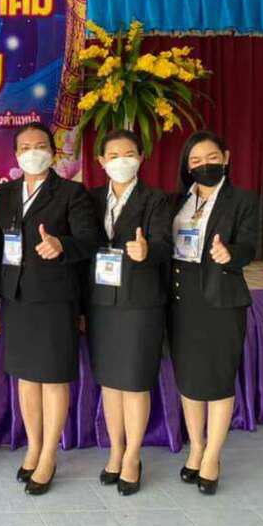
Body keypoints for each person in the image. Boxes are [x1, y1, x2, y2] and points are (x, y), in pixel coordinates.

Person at [0, 122, 98, 495]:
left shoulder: (71, 192)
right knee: (26, 378)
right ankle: (33, 446)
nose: (33, 152)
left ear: (53, 151)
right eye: (25, 147)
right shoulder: (5, 193)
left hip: (55, 300)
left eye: (40, 145)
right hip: (15, 299)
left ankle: (49, 455)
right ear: (16, 154)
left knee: (53, 378)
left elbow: (90, 240)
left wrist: (62, 245)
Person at [83, 129, 173, 496]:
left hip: (139, 303)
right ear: (101, 161)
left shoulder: (156, 200)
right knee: (110, 382)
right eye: (113, 155)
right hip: (101, 302)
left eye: (129, 153)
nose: (122, 160)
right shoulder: (90, 199)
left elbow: (165, 244)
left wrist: (147, 251)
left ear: (140, 158)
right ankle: (116, 450)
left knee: (134, 382)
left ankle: (133, 455)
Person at [169, 130, 258, 495]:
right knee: (189, 379)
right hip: (181, 298)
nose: (203, 165)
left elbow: (249, 245)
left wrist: (230, 254)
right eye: (195, 160)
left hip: (221, 299)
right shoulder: (179, 200)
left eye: (211, 158)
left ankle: (212, 457)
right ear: (187, 167)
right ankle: (196, 447)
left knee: (219, 380)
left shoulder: (242, 200)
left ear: (226, 158)